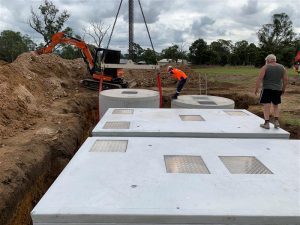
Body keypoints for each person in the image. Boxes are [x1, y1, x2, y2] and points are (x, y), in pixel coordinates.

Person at [255, 54, 288, 129]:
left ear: (268, 60)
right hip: (278, 89)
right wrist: (283, 89)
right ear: (275, 59)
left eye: (266, 61)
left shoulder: (265, 67)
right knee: (276, 105)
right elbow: (285, 80)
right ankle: (276, 122)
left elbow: (260, 79)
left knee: (267, 106)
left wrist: (256, 88)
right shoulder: (282, 67)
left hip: (267, 89)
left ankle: (266, 123)